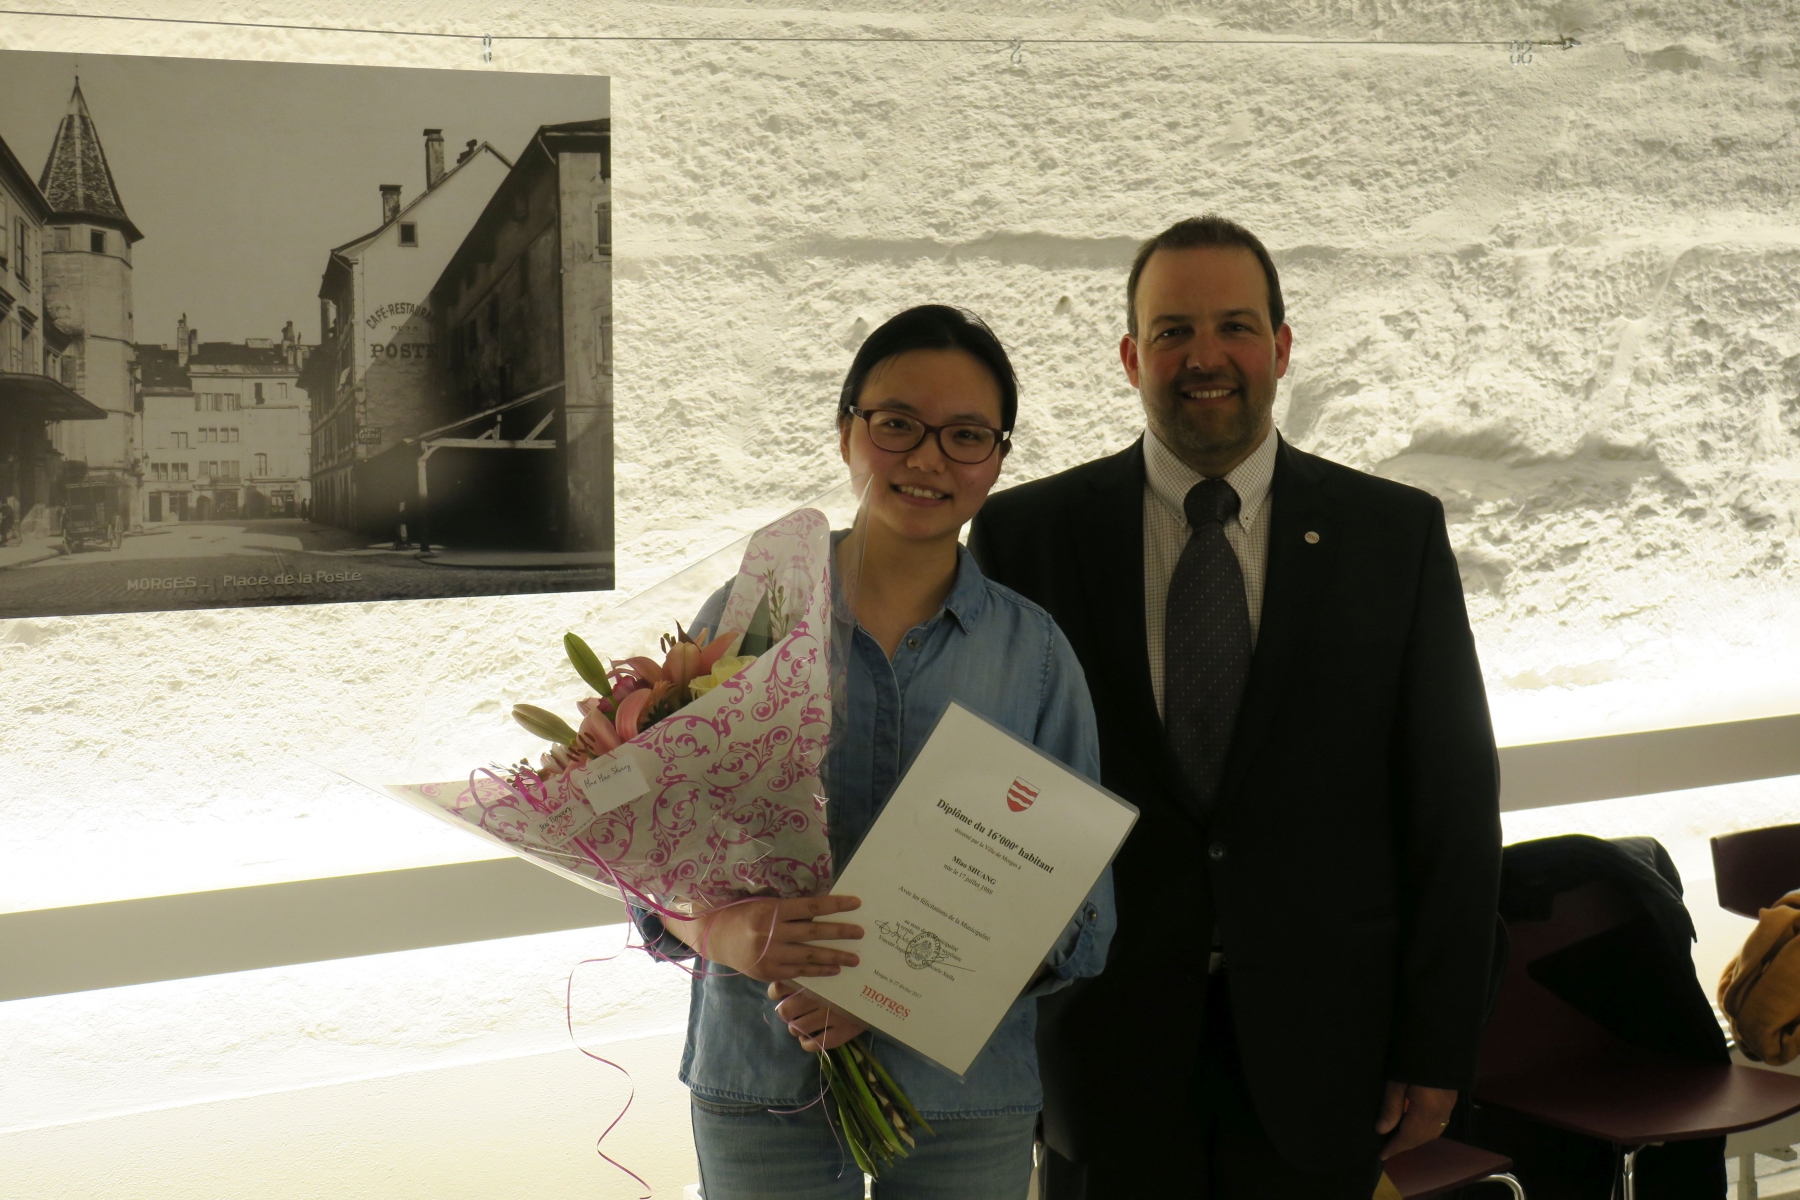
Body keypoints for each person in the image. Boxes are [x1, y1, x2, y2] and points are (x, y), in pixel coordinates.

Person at [969, 216, 1503, 1198]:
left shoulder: (1396, 538)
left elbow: (1453, 813)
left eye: (1235, 327)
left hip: (1328, 1059)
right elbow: (981, 788)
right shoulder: (1025, 537)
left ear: (1283, 349)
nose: (1203, 357)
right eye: (1171, 331)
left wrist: (1437, 1045)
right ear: (1130, 356)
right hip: (1103, 1058)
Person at [634, 305, 1116, 1199]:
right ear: (846, 430)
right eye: (896, 424)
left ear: (998, 460)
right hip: (759, 1074)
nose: (928, 458)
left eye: (966, 435)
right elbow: (651, 854)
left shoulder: (1036, 656)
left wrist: (897, 985)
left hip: (962, 1097)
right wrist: (719, 932)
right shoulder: (748, 619)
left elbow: (1083, 920)